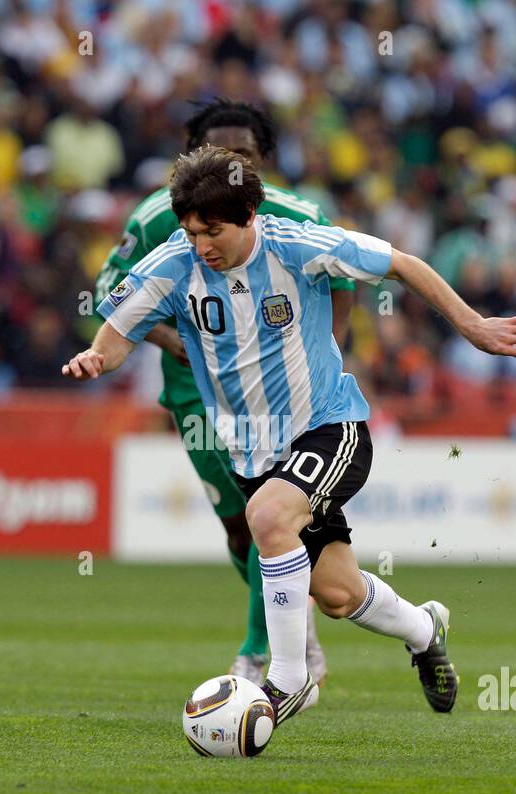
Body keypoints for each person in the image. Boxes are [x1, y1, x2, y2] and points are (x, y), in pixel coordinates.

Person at [66, 146, 516, 724]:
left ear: (248, 213)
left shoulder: (298, 244)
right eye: (192, 232)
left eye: (212, 231)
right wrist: (96, 359)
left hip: (329, 428)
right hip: (252, 453)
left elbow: (401, 263)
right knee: (339, 594)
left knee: (267, 519)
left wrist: (472, 325)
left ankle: (286, 681)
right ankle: (425, 628)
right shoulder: (172, 264)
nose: (202, 246)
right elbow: (115, 333)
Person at [93, 99, 354, 685]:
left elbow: (344, 284)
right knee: (240, 524)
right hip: (197, 392)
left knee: (273, 517)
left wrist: (330, 356)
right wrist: (166, 337)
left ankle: (263, 650)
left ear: (263, 164)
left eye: (245, 156)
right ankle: (296, 632)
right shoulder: (158, 218)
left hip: (286, 395)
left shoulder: (299, 215)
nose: (232, 167)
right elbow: (109, 292)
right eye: (219, 154)